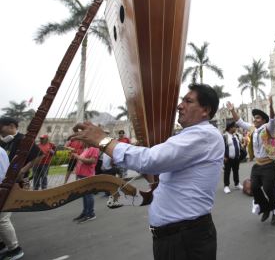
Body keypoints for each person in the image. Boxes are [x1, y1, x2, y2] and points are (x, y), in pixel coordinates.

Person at [69, 84, 223, 260]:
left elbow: (150, 160)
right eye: (182, 100)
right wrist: (144, 191)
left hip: (185, 240)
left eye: (188, 101)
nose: (180, 105)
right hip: (179, 238)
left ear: (205, 110)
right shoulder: (192, 136)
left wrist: (102, 141)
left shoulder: (203, 135)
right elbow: (167, 179)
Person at [227, 97, 275, 225]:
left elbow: (273, 119)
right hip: (258, 164)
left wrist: (270, 107)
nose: (255, 119)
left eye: (258, 118)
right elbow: (239, 122)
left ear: (263, 120)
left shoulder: (269, 128)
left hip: (270, 164)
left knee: (269, 188)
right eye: (255, 118)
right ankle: (266, 208)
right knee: (254, 187)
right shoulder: (253, 129)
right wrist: (232, 110)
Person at [0, 145, 24, 260]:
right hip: (4, 187)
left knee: (2, 220)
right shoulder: (1, 150)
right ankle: (3, 244)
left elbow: (2, 174)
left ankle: (15, 249)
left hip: (3, 189)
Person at [0, 117, 41, 185]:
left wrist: (22, 171)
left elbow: (39, 155)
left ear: (11, 126)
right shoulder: (4, 141)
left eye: (0, 127)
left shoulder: (24, 139)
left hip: (18, 181)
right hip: (6, 180)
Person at [71, 145, 99, 223]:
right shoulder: (86, 148)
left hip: (88, 175)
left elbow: (92, 161)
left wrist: (78, 157)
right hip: (82, 174)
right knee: (84, 195)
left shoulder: (93, 148)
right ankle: (85, 212)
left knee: (88, 195)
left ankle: (91, 214)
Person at [222, 121, 243, 194]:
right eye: (234, 126)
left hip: (236, 158)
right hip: (228, 158)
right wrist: (224, 156)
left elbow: (239, 145)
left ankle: (237, 184)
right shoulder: (225, 136)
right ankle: (226, 186)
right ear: (230, 128)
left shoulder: (236, 136)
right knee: (227, 172)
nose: (236, 128)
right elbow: (221, 147)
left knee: (236, 171)